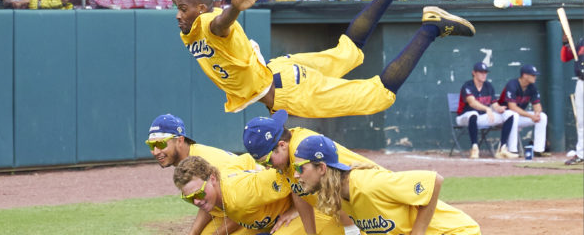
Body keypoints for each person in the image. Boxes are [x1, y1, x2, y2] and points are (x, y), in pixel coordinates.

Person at [132, 0, 477, 119]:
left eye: (183, 9)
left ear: (202, 7)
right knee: (349, 51)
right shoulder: (190, 17)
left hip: (288, 92)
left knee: (380, 96)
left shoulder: (207, 23)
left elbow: (221, 25)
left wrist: (234, 10)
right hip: (281, 69)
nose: (177, 13)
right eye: (178, 8)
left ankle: (430, 27)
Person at [292, 135, 481, 235]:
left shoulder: (367, 184)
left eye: (300, 168)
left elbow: (434, 180)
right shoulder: (342, 195)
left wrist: (418, 233)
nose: (295, 174)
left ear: (322, 168)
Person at [242, 110, 385, 235]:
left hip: (375, 204)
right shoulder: (288, 160)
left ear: (282, 145)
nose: (267, 167)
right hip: (353, 211)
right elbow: (299, 190)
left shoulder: (303, 153)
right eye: (261, 164)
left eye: (267, 161)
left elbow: (337, 186)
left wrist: (352, 232)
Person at [174, 155, 341, 234]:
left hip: (317, 211)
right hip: (269, 219)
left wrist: (294, 209)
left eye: (200, 193)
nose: (197, 201)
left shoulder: (243, 192)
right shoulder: (221, 179)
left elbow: (291, 174)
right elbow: (247, 159)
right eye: (189, 198)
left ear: (212, 178)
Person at [145, 114, 253, 235]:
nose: (155, 152)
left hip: (256, 208)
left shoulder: (210, 163)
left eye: (160, 144)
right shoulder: (190, 162)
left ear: (180, 140)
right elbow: (208, 200)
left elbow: (244, 208)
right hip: (231, 211)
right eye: (151, 145)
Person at [456, 62, 519, 158]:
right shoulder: (468, 86)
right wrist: (487, 109)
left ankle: (502, 148)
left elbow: (494, 104)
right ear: (474, 73)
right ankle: (474, 148)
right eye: (481, 72)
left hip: (482, 117)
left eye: (485, 72)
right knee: (473, 114)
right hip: (464, 117)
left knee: (510, 114)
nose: (483, 74)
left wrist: (499, 108)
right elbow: (472, 103)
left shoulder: (488, 86)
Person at [497, 64, 549, 157]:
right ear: (525, 75)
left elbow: (537, 105)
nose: (535, 77)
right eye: (533, 75)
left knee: (543, 117)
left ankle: (538, 150)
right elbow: (512, 107)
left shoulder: (532, 87)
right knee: (514, 115)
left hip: (518, 116)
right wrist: (530, 116)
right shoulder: (512, 84)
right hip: (504, 116)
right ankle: (513, 150)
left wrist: (537, 114)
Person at [561, 35, 583, 165]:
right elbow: (565, 57)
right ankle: (581, 154)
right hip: (580, 82)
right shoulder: (581, 42)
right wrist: (566, 44)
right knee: (581, 121)